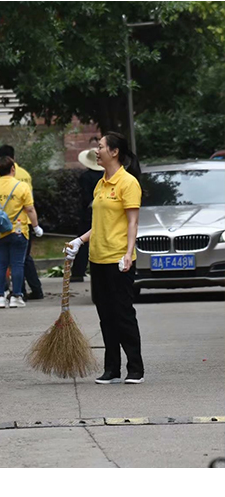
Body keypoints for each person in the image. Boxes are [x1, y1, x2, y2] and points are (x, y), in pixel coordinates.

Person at [64, 132, 145, 385]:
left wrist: (128, 253)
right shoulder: (101, 184)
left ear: (114, 152)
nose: (96, 151)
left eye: (100, 147)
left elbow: (133, 222)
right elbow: (98, 224)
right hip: (97, 259)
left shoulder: (127, 183)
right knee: (105, 315)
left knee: (122, 313)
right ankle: (112, 369)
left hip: (118, 259)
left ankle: (135, 368)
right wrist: (80, 240)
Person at [0, 156, 43, 308]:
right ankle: (16, 296)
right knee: (17, 264)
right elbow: (30, 209)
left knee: (0, 264)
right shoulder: (22, 186)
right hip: (18, 229)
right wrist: (36, 227)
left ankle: (0, 297)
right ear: (13, 169)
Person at [70, 148, 105, 282]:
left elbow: (84, 197)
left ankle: (78, 271)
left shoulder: (85, 177)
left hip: (88, 213)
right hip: (103, 211)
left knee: (83, 242)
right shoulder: (106, 176)